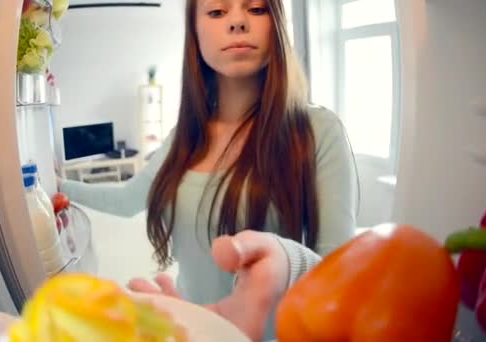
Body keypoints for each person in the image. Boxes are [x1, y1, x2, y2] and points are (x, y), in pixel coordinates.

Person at [59, 0, 359, 340]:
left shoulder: (317, 130)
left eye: (256, 9)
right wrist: (59, 188)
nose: (237, 22)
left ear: (276, 24)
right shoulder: (183, 139)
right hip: (191, 329)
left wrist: (285, 259)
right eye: (217, 12)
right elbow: (128, 199)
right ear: (195, 34)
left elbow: (339, 277)